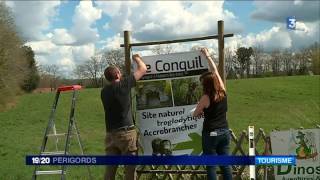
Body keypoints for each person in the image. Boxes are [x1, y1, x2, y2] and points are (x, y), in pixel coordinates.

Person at [101, 54, 147, 180]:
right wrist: (137, 58)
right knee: (130, 169)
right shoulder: (123, 85)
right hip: (126, 134)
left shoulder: (104, 91)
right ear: (117, 75)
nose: (121, 74)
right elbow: (143, 69)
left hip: (110, 135)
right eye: (119, 72)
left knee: (110, 169)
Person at [192, 48, 232, 180]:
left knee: (211, 166)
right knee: (225, 165)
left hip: (211, 134)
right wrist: (208, 56)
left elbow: (195, 114)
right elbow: (215, 71)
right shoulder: (223, 92)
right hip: (225, 131)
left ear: (205, 85)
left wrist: (202, 111)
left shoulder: (206, 97)